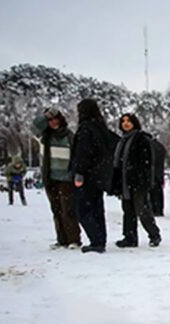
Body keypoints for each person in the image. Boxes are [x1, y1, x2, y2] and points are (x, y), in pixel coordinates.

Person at [32, 107, 81, 248]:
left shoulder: (69, 136)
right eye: (50, 120)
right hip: (50, 177)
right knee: (56, 209)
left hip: (66, 178)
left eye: (56, 119)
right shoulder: (43, 136)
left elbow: (76, 156)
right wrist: (46, 115)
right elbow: (34, 126)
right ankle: (62, 239)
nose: (53, 122)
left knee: (68, 209)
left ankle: (74, 239)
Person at [111, 113, 161, 248]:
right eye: (123, 121)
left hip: (138, 181)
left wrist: (143, 179)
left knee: (142, 209)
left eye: (129, 121)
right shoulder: (122, 141)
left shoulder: (141, 139)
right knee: (127, 210)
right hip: (125, 181)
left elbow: (147, 162)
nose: (126, 123)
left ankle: (154, 234)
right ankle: (130, 237)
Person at [71, 99, 115, 253]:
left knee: (83, 209)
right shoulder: (101, 128)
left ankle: (95, 240)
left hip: (88, 175)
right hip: (99, 175)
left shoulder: (86, 129)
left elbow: (83, 153)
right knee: (97, 209)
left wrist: (79, 172)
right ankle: (100, 239)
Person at [149, 138, 166, 216]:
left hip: (152, 173)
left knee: (152, 192)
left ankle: (154, 209)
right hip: (159, 173)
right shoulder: (160, 147)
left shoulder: (149, 146)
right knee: (159, 192)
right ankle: (159, 209)